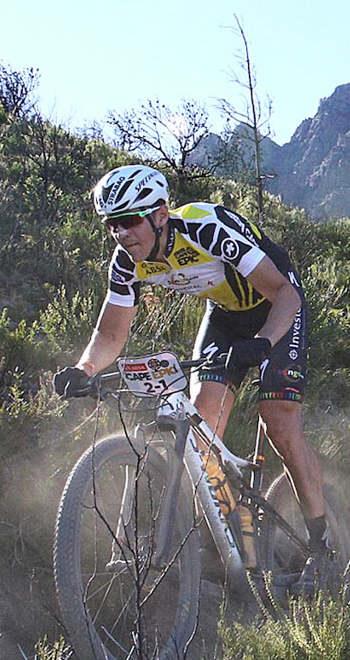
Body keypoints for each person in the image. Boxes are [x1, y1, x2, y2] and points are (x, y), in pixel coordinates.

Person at [51, 164, 332, 560]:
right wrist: (84, 370)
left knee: (279, 423)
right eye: (112, 224)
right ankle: (229, 536)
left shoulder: (205, 230)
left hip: (277, 303)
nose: (121, 233)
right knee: (203, 427)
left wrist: (265, 341)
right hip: (226, 315)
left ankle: (321, 543)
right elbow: (111, 334)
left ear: (161, 215)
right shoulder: (126, 261)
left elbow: (285, 294)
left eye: (130, 221)